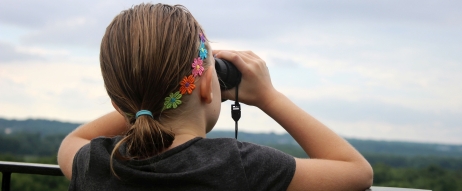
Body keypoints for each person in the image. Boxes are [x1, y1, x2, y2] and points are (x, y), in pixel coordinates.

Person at [58, 3, 373, 191]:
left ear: (116, 101)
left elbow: (72, 141)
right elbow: (357, 172)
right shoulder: (241, 165)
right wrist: (268, 96)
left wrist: (143, 96)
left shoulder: (96, 163)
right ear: (210, 84)